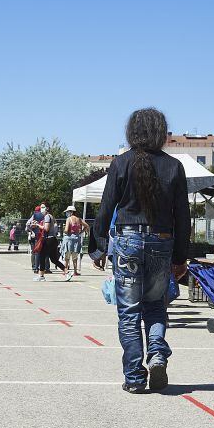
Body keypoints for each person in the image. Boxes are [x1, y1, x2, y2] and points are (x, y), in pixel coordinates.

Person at [89, 108, 189, 393]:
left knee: (129, 312)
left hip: (127, 241)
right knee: (156, 306)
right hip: (161, 240)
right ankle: (157, 353)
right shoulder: (174, 166)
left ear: (132, 132)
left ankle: (134, 377)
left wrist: (98, 248)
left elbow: (106, 207)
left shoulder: (121, 163)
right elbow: (183, 216)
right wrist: (180, 257)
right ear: (161, 132)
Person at [62, 206, 89, 279]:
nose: (67, 213)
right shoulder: (79, 219)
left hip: (69, 238)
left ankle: (65, 270)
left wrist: (63, 230)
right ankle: (75, 271)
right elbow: (87, 226)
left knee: (67, 255)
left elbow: (67, 229)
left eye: (67, 212)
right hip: (76, 239)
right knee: (75, 256)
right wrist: (81, 232)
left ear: (70, 212)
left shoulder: (69, 219)